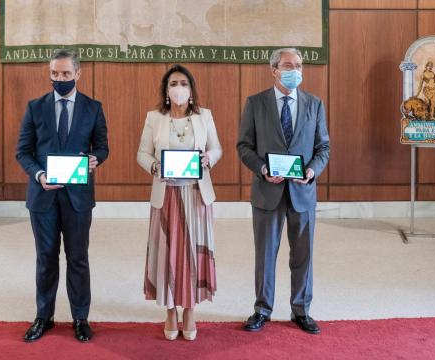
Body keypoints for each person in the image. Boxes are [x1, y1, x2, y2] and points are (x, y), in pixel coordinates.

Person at [16, 49, 109, 343]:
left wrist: (95, 159)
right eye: (55, 74)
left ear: (78, 74)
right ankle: (44, 316)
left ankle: (80, 318)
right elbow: (23, 152)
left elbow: (103, 147)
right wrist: (40, 175)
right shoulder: (35, 107)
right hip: (42, 197)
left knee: (78, 257)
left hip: (78, 197)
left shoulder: (93, 108)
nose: (60, 79)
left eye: (66, 74)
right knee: (46, 258)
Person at [237, 48, 330, 335]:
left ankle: (301, 310)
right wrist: (264, 169)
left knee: (303, 255)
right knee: (265, 254)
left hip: (302, 194)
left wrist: (312, 171)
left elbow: (323, 147)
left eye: (300, 65)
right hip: (268, 192)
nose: (296, 70)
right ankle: (262, 310)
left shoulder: (314, 104)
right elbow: (244, 146)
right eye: (289, 65)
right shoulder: (256, 103)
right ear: (274, 69)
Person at [137, 64, 222, 341]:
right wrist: (153, 167)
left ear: (191, 89)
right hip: (167, 194)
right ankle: (171, 309)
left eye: (183, 83)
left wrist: (209, 158)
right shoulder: (154, 117)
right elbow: (142, 153)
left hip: (196, 194)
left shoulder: (204, 116)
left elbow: (216, 148)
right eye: (173, 83)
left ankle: (190, 310)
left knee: (192, 255)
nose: (178, 88)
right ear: (166, 90)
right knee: (169, 254)